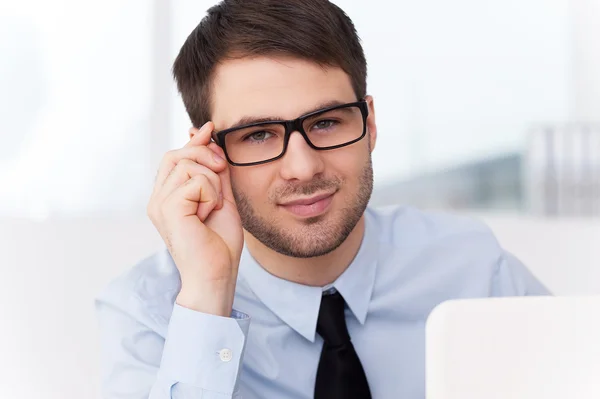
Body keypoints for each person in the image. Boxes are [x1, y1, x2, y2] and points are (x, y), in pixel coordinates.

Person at [95, 1, 551, 398]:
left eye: (326, 123)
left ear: (368, 123)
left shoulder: (476, 273)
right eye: (258, 135)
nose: (303, 167)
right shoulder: (152, 312)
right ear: (207, 154)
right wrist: (210, 290)